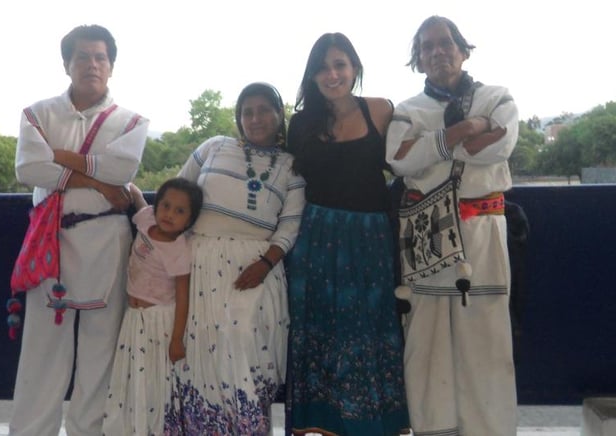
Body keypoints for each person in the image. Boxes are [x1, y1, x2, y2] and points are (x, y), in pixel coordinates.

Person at [10, 24, 148, 436]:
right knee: (41, 352)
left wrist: (60, 158)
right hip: (50, 243)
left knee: (100, 351)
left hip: (106, 241)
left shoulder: (130, 122)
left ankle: (89, 431)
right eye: (83, 57)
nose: (92, 64)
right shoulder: (38, 113)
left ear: (111, 66)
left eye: (100, 57)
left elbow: (122, 169)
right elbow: (29, 169)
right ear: (66, 64)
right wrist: (98, 182)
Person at [385, 16, 519, 436]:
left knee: (486, 341)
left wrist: (431, 146)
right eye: (427, 47)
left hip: (482, 233)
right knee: (426, 345)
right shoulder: (407, 109)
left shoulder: (497, 97)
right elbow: (399, 161)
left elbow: (497, 148)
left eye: (445, 43)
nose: (438, 52)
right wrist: (467, 128)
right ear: (418, 59)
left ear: (463, 50)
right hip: (424, 235)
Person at [285, 32, 409, 436]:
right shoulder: (301, 123)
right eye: (322, 67)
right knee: (319, 331)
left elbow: (408, 164)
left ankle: (371, 424)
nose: (332, 74)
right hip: (316, 240)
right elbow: (287, 179)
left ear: (355, 68)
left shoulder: (381, 110)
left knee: (368, 329)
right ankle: (324, 423)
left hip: (370, 239)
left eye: (340, 64)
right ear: (312, 75)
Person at [171, 82, 306, 435]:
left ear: (279, 115)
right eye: (248, 112)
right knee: (197, 354)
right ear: (238, 117)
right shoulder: (214, 147)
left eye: (264, 110)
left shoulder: (292, 167)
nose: (255, 118)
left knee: (245, 353)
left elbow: (289, 227)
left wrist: (266, 264)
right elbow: (176, 195)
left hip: (254, 272)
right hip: (198, 268)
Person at [101, 179, 202, 436]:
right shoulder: (146, 219)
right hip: (134, 319)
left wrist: (176, 339)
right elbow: (138, 200)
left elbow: (183, 298)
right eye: (165, 205)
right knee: (131, 376)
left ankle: (153, 429)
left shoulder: (179, 251)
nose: (169, 214)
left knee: (153, 379)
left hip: (159, 324)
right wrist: (127, 183)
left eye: (180, 211)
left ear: (190, 220)